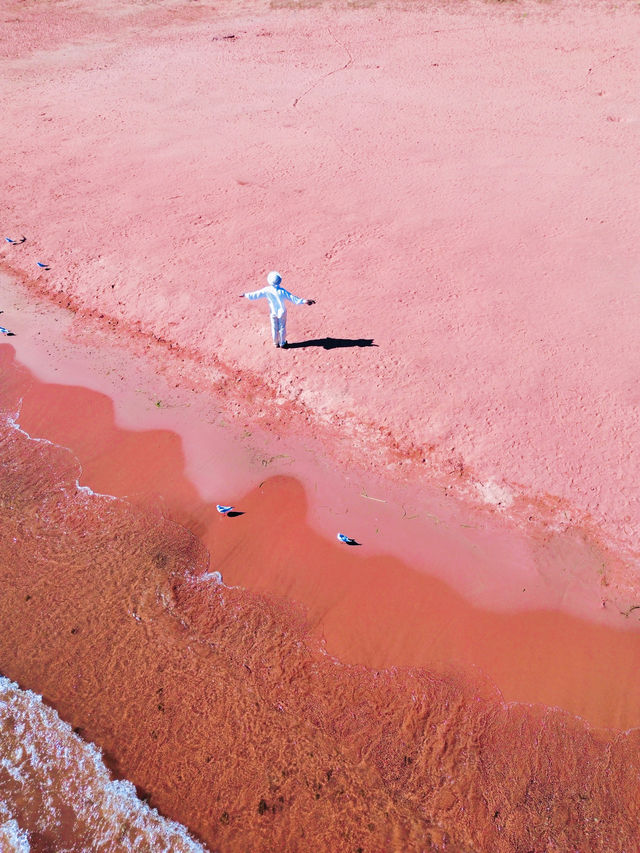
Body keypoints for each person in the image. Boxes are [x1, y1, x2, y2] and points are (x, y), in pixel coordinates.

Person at [240, 271, 315, 348]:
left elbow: (255, 295)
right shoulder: (282, 291)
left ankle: (275, 343)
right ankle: (282, 343)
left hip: (273, 312)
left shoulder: (266, 290)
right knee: (282, 327)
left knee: (274, 327)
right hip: (282, 312)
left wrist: (245, 295)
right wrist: (305, 301)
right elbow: (293, 299)